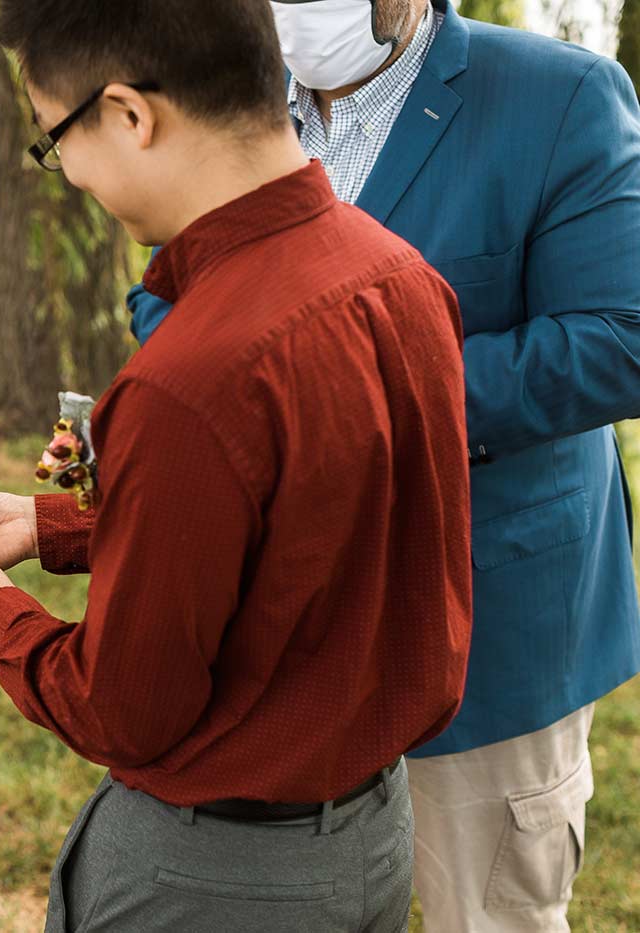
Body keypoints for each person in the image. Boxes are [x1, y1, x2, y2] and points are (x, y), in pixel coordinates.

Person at [0, 1, 473, 929]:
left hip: (217, 877)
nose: (69, 175)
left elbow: (125, 708)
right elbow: (316, 523)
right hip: (372, 835)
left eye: (56, 142)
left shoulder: (191, 378)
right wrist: (53, 526)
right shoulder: (401, 278)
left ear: (129, 114)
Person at [127, 2, 640, 927]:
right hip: (288, 630)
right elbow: (165, 292)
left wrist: (357, 390)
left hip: (493, 630)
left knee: (481, 913)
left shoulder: (561, 96)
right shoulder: (230, 103)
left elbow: (618, 339)